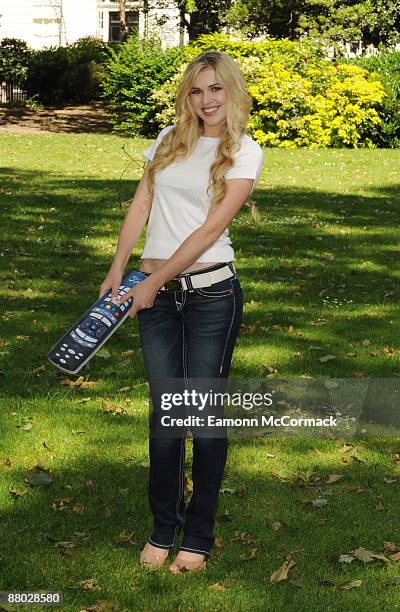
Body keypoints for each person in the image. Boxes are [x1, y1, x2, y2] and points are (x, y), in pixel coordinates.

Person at [99, 50, 264, 573]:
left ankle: (198, 537)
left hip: (212, 294)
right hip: (156, 293)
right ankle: (161, 529)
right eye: (197, 90)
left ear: (232, 92)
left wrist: (153, 280)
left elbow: (211, 230)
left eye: (216, 89)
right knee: (165, 416)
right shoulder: (168, 141)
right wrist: (119, 268)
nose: (207, 100)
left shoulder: (245, 152)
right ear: (186, 96)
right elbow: (141, 205)